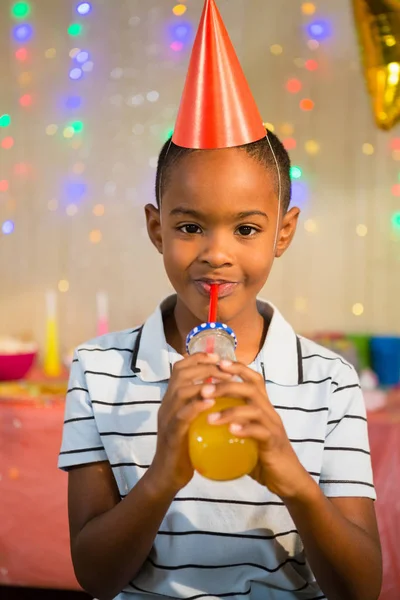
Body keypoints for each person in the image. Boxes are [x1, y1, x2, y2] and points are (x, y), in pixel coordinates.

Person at [58, 1, 382, 599]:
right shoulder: (97, 371)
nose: (216, 253)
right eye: (189, 227)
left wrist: (295, 480)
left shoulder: (332, 382)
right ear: (157, 229)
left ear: (283, 233)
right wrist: (162, 476)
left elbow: (360, 588)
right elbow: (96, 578)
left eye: (247, 229)